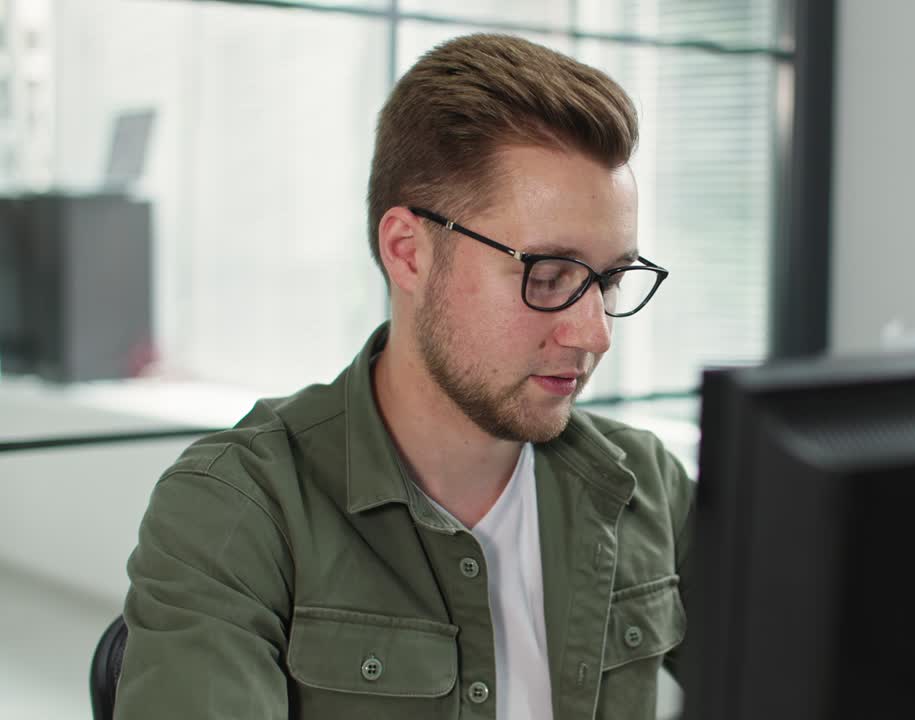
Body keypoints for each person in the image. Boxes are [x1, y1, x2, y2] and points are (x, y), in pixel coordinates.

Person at [115, 33, 694, 720]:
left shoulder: (644, 486)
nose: (595, 332)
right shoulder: (238, 509)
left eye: (610, 280)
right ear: (408, 252)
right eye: (548, 275)